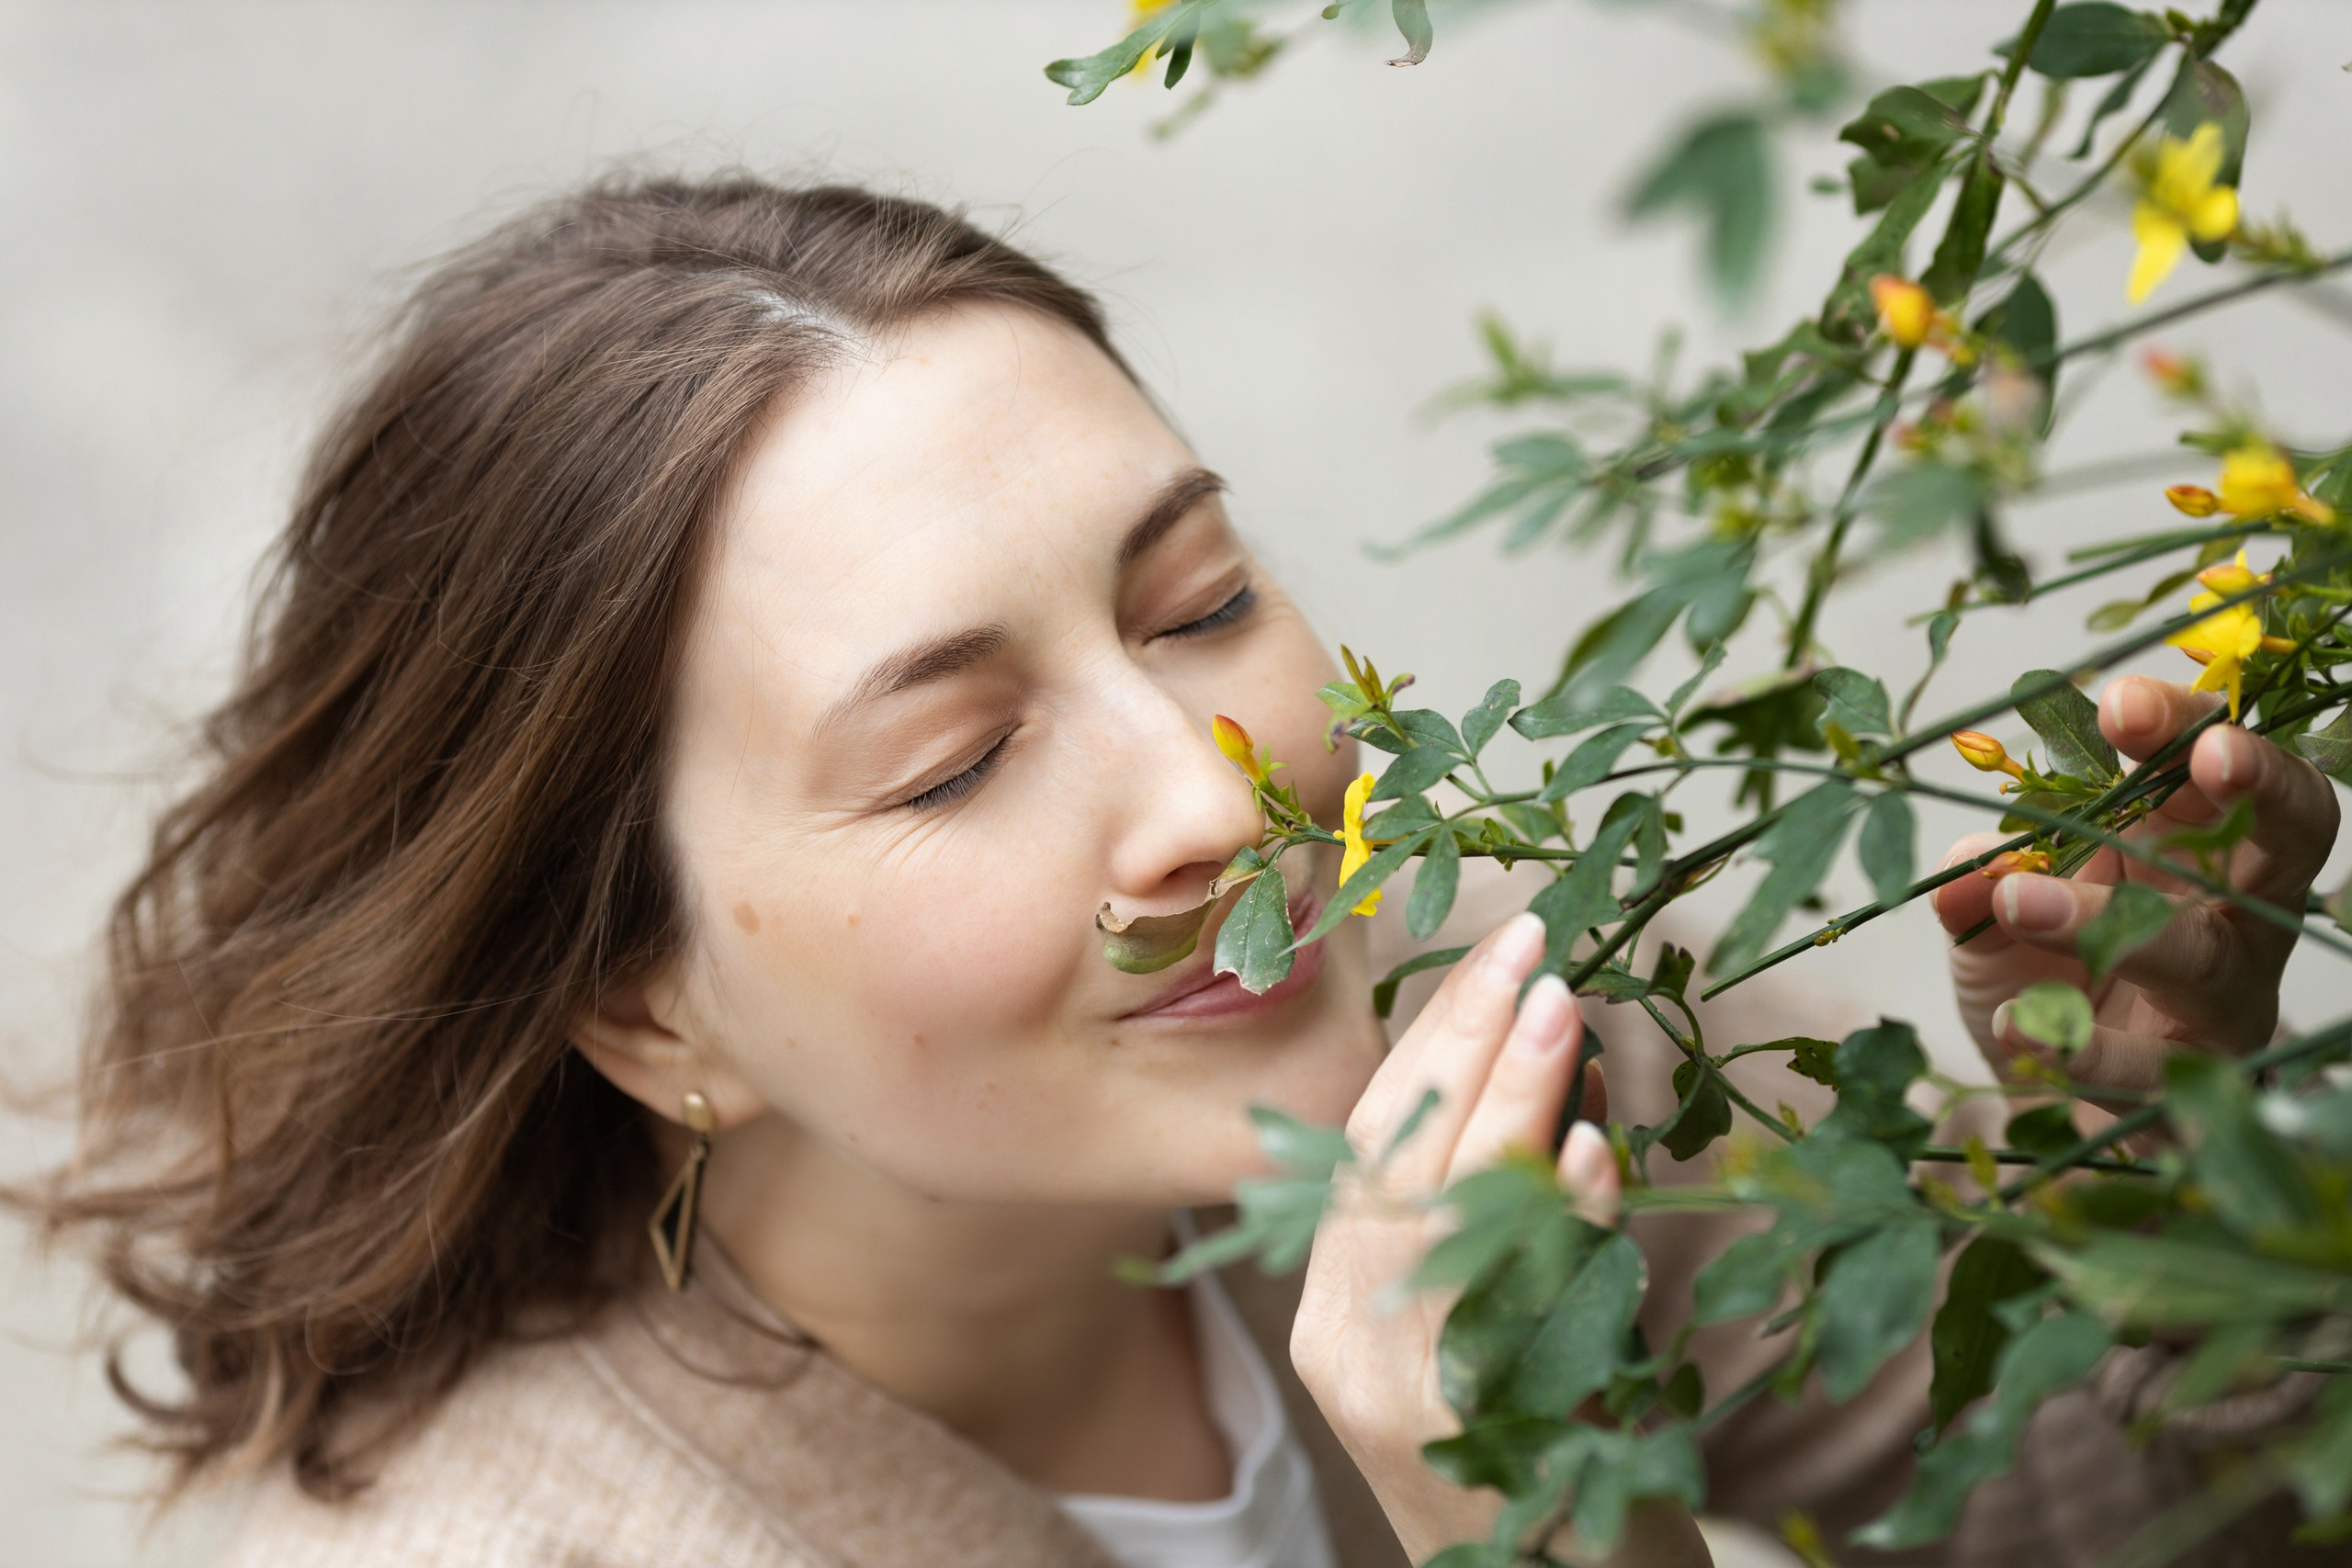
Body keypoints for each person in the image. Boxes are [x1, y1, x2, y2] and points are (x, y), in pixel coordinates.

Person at [20, 175, 2335, 1568]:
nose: (1215, 796)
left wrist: (2160, 1155)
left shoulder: (1500, 1029)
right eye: (952, 759)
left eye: (1198, 600)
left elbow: (2116, 1515)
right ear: (647, 1007)